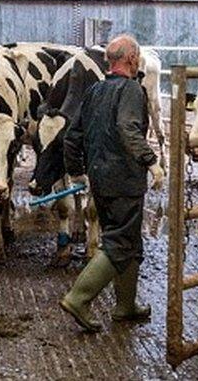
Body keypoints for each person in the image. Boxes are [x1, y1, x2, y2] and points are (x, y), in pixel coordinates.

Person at [58, 34, 166, 332]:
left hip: (100, 180)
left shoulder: (95, 90)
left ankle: (125, 305)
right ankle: (78, 298)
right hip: (124, 182)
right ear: (133, 60)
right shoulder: (131, 90)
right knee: (119, 242)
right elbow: (128, 129)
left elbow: (72, 136)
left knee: (127, 240)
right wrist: (152, 162)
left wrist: (77, 171)